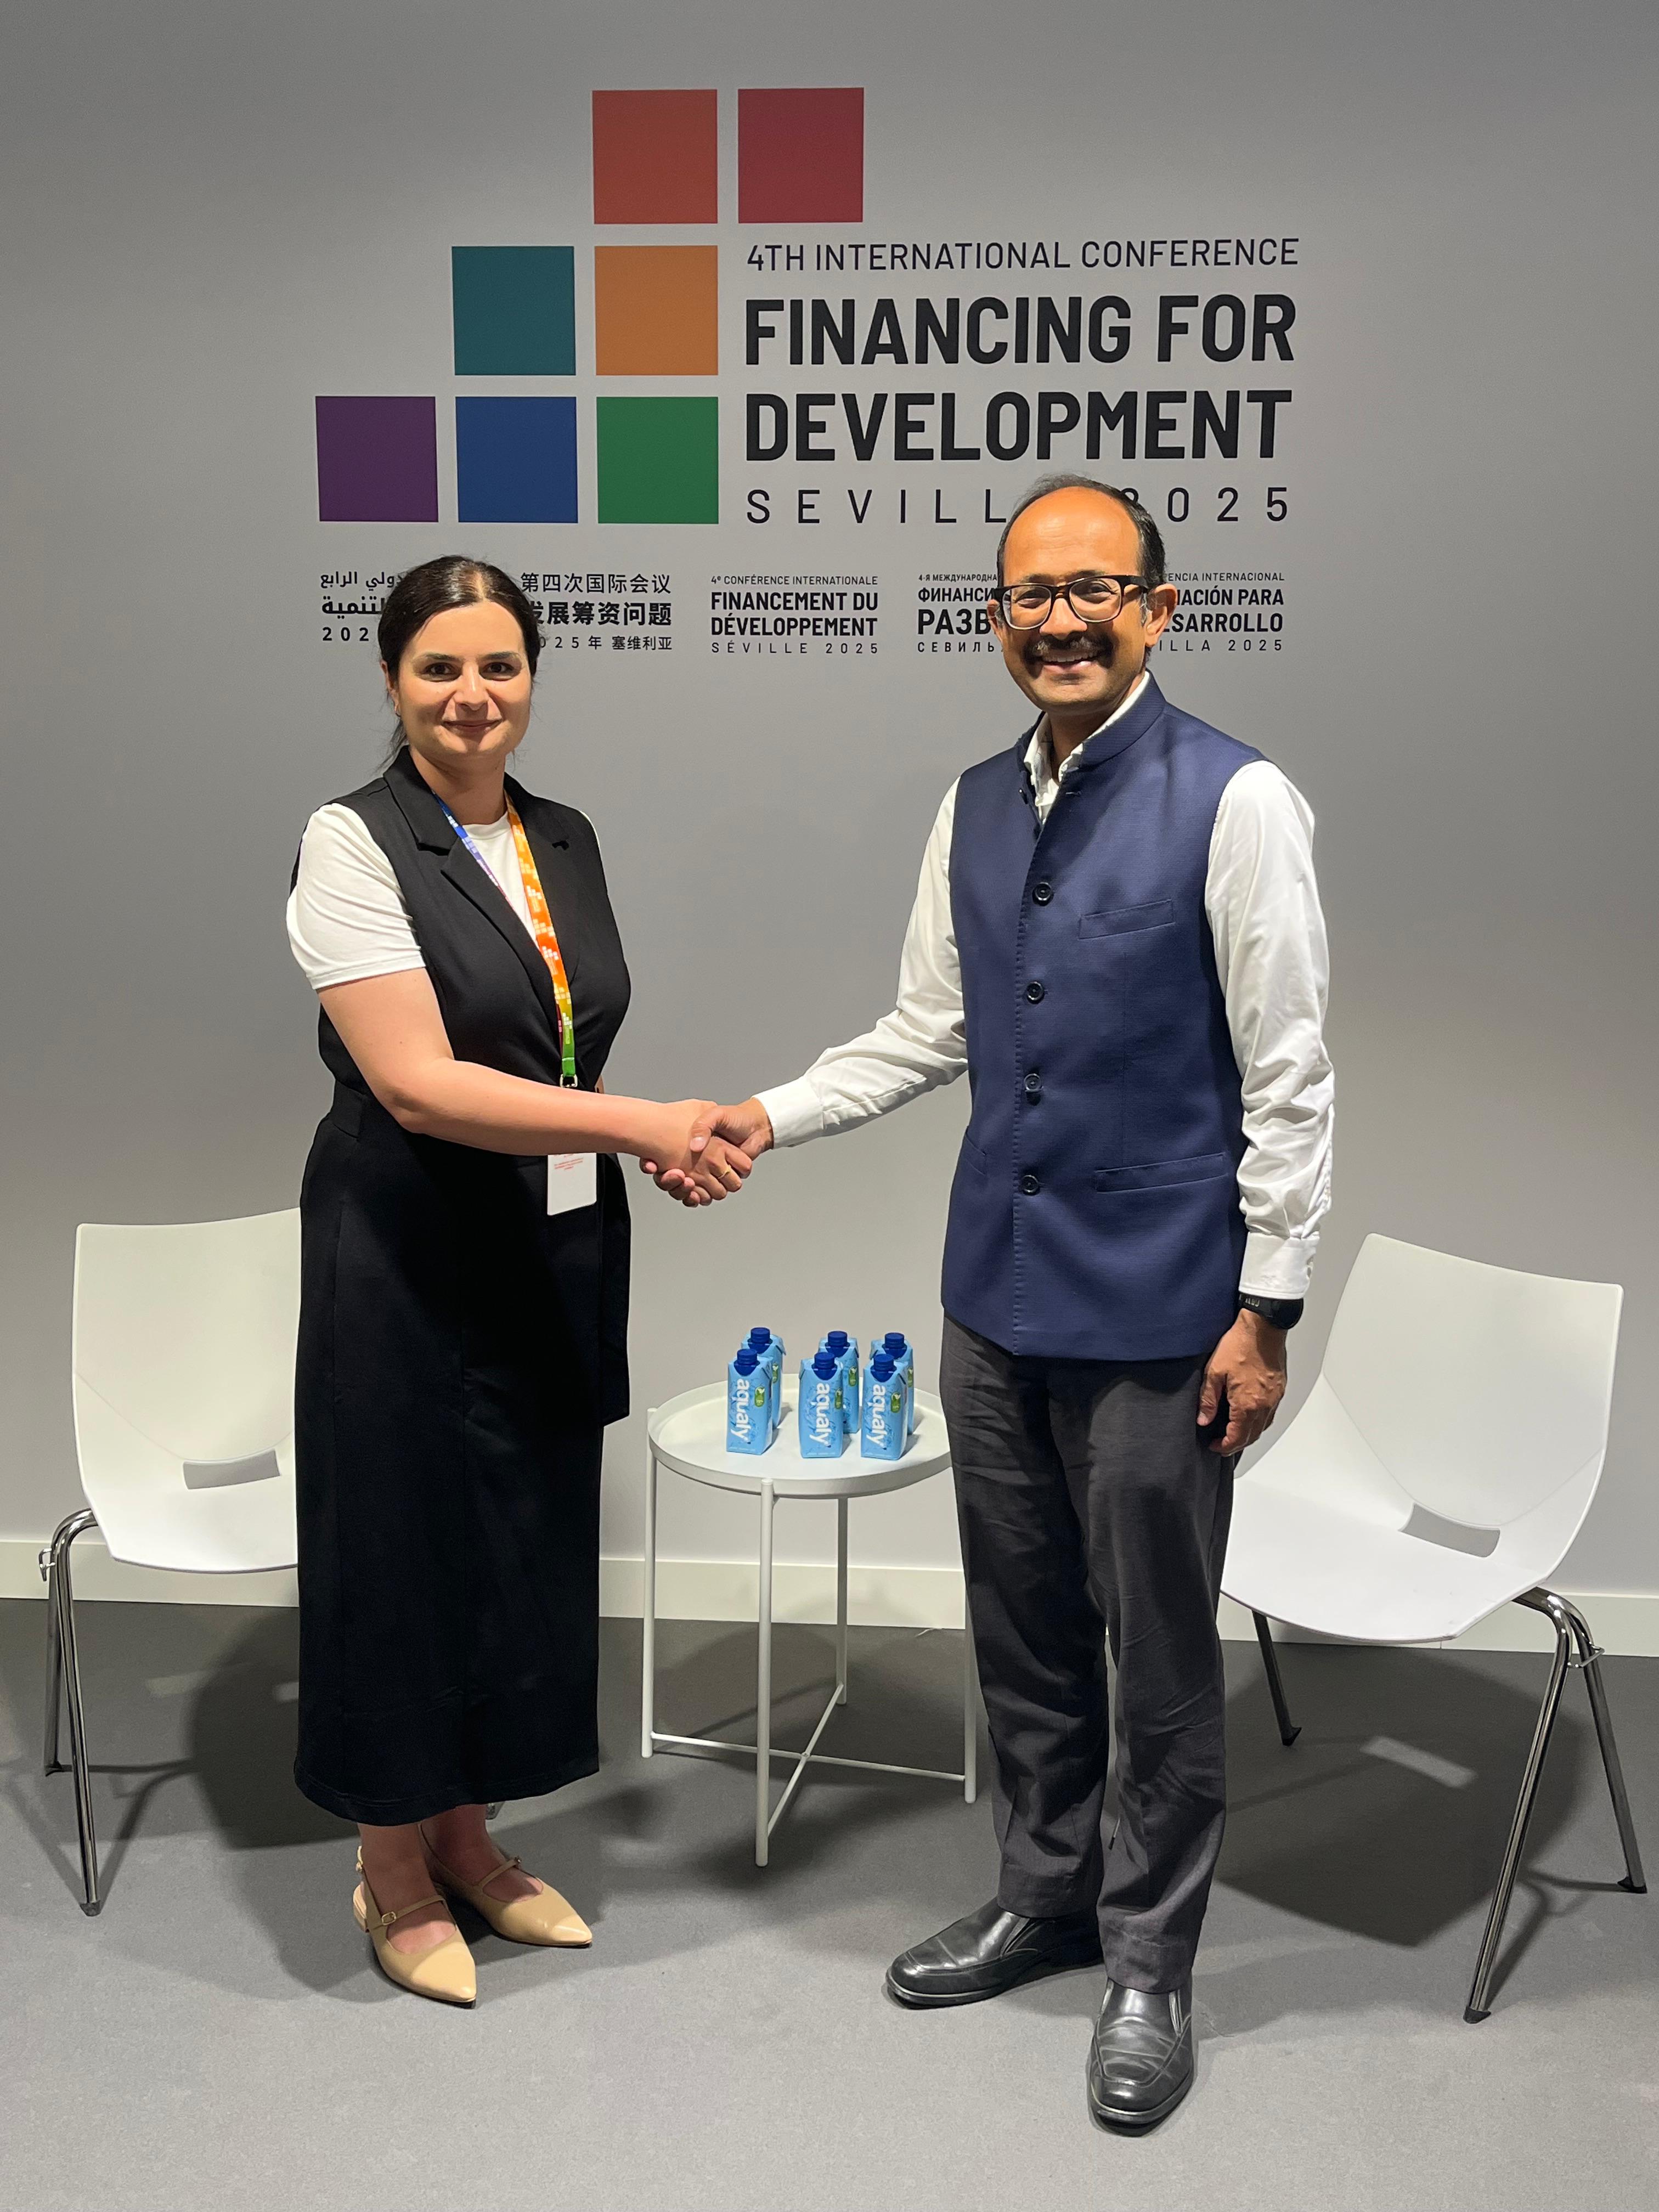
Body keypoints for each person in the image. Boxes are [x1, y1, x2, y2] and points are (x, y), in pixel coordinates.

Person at [652, 477, 1333, 2126]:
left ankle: (1150, 1962)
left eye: (1097, 589)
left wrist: (1268, 1308)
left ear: (1158, 610)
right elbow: (928, 1029)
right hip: (996, 1297)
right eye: (1032, 594)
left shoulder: (1240, 801)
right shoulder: (972, 804)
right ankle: (1047, 1895)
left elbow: (1291, 1075)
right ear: (996, 619)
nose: (1062, 620)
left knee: (1158, 1657)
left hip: (1166, 1310)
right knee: (1022, 1632)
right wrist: (766, 1115)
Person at [287, 555, 752, 2006]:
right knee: (401, 1546)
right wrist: (642, 1126)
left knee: (522, 1537)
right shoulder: (351, 842)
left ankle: (473, 1837)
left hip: (546, 1237)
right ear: (391, 680)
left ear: (532, 678)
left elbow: (561, 1038)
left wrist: (640, 1142)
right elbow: (418, 1084)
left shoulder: (564, 837)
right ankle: (392, 1862)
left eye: (499, 666)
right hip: (404, 1247)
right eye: (439, 668)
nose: (473, 696)